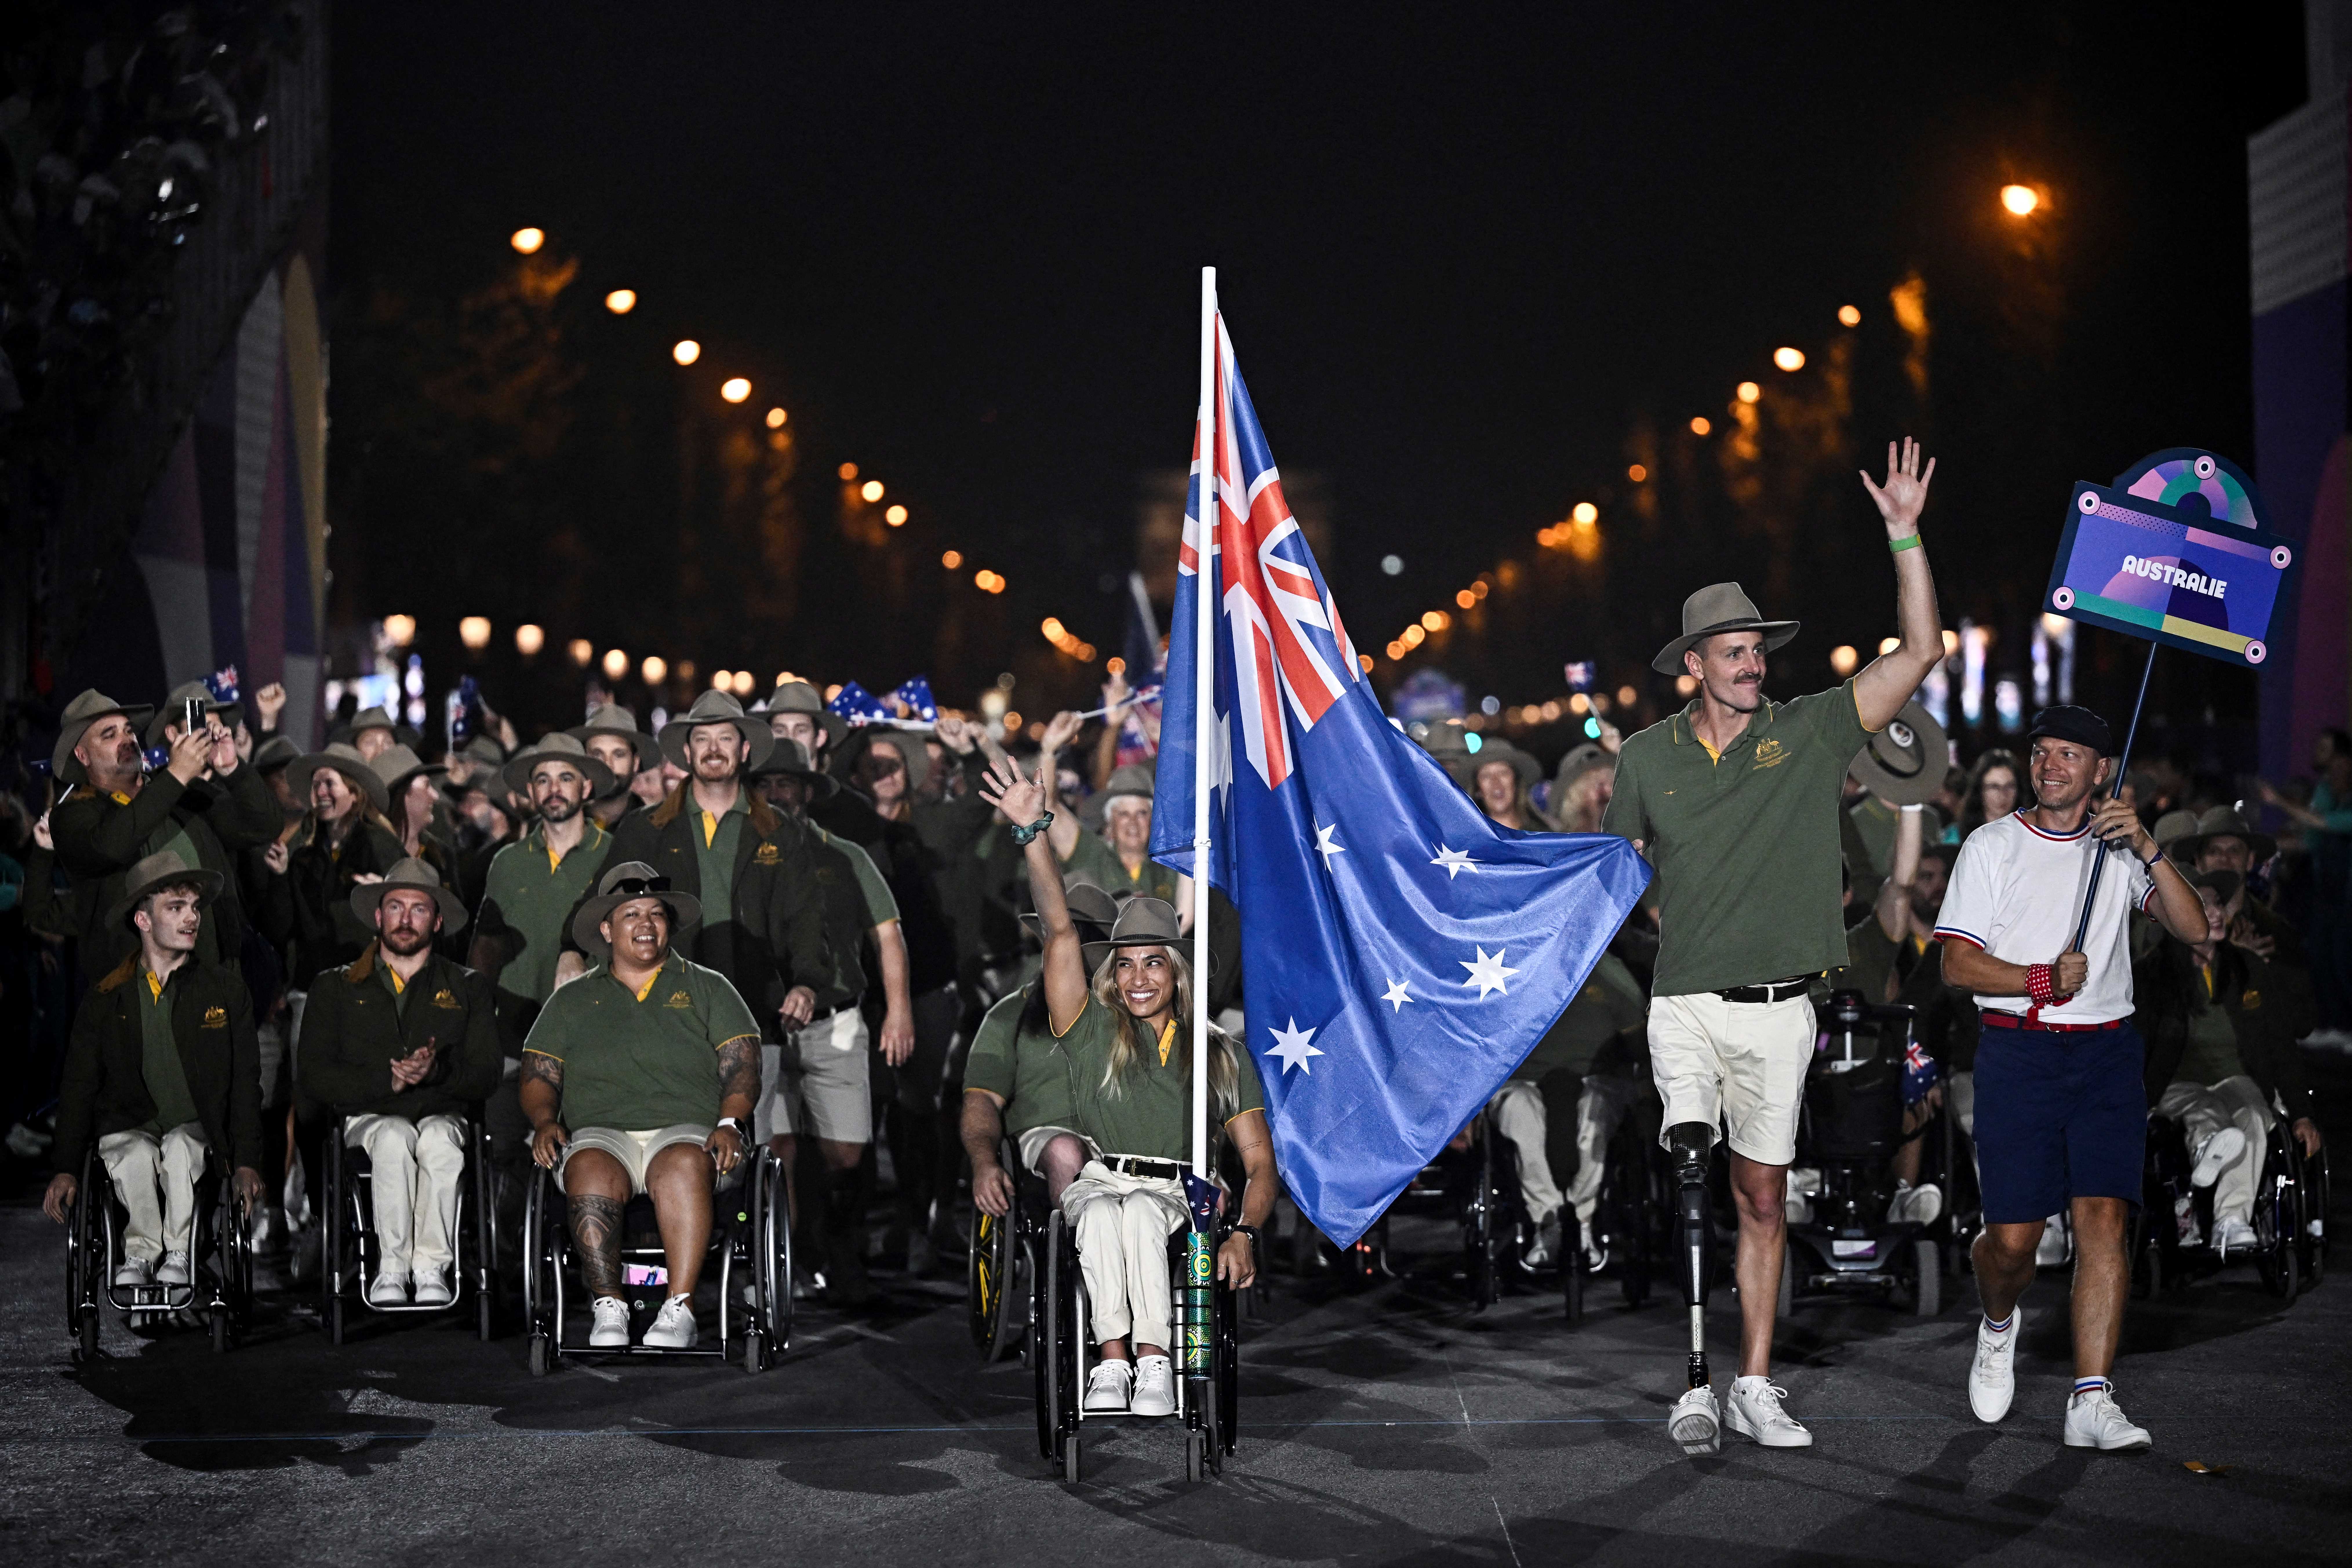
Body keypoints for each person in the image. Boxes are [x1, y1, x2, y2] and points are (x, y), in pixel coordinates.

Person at [1601, 438, 1946, 1455]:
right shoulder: (1641, 758)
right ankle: (1694, 1384)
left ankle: (1753, 1382)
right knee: (1697, 1165)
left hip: (1782, 1013)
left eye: (1759, 650)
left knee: (1761, 1197)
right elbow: (1614, 873)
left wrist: (1903, 532)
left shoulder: (1807, 732)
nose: (1754, 663)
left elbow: (1919, 650)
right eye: (1736, 651)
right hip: (1683, 1006)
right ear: (1694, 666)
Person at [1935, 705, 2209, 1451]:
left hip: (2105, 1053)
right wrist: (2036, 978)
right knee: (2014, 1242)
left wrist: (2148, 845)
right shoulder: (1991, 844)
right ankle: (1998, 1321)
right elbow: (1956, 962)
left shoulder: (2119, 850)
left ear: (2100, 771)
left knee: (2103, 1220)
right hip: (2017, 1051)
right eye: (2043, 751)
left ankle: (2091, 1395)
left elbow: (2194, 929)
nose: (2051, 764)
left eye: (2070, 754)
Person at [980, 755, 1276, 1418]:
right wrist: (1033, 834)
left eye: (1154, 962)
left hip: (1179, 1186)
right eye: (1126, 964)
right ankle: (1112, 1361)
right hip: (1101, 1176)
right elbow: (1060, 929)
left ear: (1176, 969)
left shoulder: (1220, 1053)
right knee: (1102, 1210)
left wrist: (1246, 1234)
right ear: (1110, 973)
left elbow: (1259, 1163)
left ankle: (1153, 1358)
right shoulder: (1091, 1031)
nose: (1140, 978)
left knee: (1141, 1212)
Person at [521, 861, 762, 1350]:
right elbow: (538, 1075)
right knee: (586, 1166)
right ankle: (608, 1303)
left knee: (682, 1164)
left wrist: (729, 1122)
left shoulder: (708, 987)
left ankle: (680, 1306)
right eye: (631, 915)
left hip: (688, 1130)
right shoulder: (572, 1001)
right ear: (607, 929)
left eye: (656, 914)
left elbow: (742, 1066)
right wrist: (545, 1122)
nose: (646, 926)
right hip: (600, 1130)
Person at [42, 852, 265, 1286]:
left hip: (196, 1127)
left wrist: (247, 1161)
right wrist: (66, 1166)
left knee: (182, 1145)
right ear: (143, 920)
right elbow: (79, 1086)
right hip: (131, 1123)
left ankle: (179, 1254)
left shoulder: (224, 989)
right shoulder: (108, 998)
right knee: (132, 1152)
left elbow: (245, 1083)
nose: (192, 918)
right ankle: (140, 1256)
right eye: (176, 907)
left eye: (195, 908)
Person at [295, 858, 501, 1305]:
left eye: (418, 909)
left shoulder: (467, 987)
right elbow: (314, 1075)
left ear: (438, 920)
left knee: (439, 1142)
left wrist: (437, 1072)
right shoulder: (335, 987)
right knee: (392, 1136)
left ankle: (431, 1268)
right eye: (395, 907)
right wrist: (385, 1080)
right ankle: (390, 1267)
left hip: (441, 1114)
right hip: (369, 1116)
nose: (405, 920)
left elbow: (486, 1074)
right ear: (378, 916)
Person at [747, 738, 903, 1303]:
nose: (773, 793)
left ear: (806, 791)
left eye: (784, 782)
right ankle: (790, 1260)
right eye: (762, 784)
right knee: (779, 1147)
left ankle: (836, 1243)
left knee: (846, 1152)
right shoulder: (740, 858)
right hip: (764, 1023)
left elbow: (887, 933)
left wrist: (899, 1010)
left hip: (836, 1018)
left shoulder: (845, 855)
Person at [2137, 867, 2323, 1254]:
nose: (2217, 912)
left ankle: (2230, 1218)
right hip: (2174, 1083)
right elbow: (2133, 1046)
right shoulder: (2152, 974)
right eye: (2201, 905)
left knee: (2256, 1115)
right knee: (2204, 1109)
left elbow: (2279, 1044)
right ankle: (2207, 1144)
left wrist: (2301, 1113)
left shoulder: (2246, 968)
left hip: (2236, 1077)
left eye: (2218, 903)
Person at [48, 687, 282, 981]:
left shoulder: (185, 795)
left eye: (129, 730)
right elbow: (109, 848)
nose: (127, 740)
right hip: (137, 993)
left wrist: (233, 769)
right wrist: (176, 776)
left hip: (216, 978)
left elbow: (266, 826)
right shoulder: (73, 814)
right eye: (110, 735)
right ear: (82, 755)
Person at [961, 879, 1124, 1210]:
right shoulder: (1009, 1015)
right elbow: (982, 1099)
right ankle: (1077, 1256)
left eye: (1085, 939)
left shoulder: (1135, 1014)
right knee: (1065, 1149)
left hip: (1125, 1139)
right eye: (1061, 938)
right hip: (1048, 1137)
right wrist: (984, 1162)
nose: (1068, 951)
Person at [1488, 938, 1647, 1269]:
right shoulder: (1504, 964)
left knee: (1596, 1115)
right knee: (1520, 1113)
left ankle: (1583, 1220)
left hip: (1597, 1079)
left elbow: (1640, 1042)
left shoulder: (1607, 970)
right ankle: (1549, 1222)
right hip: (1521, 1081)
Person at [470, 734, 617, 1048]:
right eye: (543, 780)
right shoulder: (506, 863)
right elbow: (485, 951)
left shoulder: (615, 856)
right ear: (530, 792)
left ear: (587, 788)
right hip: (514, 1039)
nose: (554, 790)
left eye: (566, 778)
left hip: (594, 1036)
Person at [284, 743, 405, 988]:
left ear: (354, 793)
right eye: (316, 785)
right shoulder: (302, 848)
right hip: (311, 983)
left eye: (329, 783)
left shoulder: (381, 844)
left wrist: (386, 895)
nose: (321, 792)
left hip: (366, 981)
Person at [570, 703, 657, 833]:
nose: (608, 765)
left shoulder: (656, 828)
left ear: (636, 763)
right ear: (584, 762)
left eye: (619, 755)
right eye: (598, 755)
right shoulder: (562, 825)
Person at [1950, 749, 2022, 845]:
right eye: (1994, 787)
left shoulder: (2029, 835)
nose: (2003, 795)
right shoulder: (1956, 836)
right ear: (1980, 790)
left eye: (2010, 786)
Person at [1469, 740, 1544, 831]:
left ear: (1516, 783)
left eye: (1503, 773)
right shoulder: (1466, 842)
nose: (1496, 782)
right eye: (1486, 776)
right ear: (1478, 790)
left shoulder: (1542, 840)